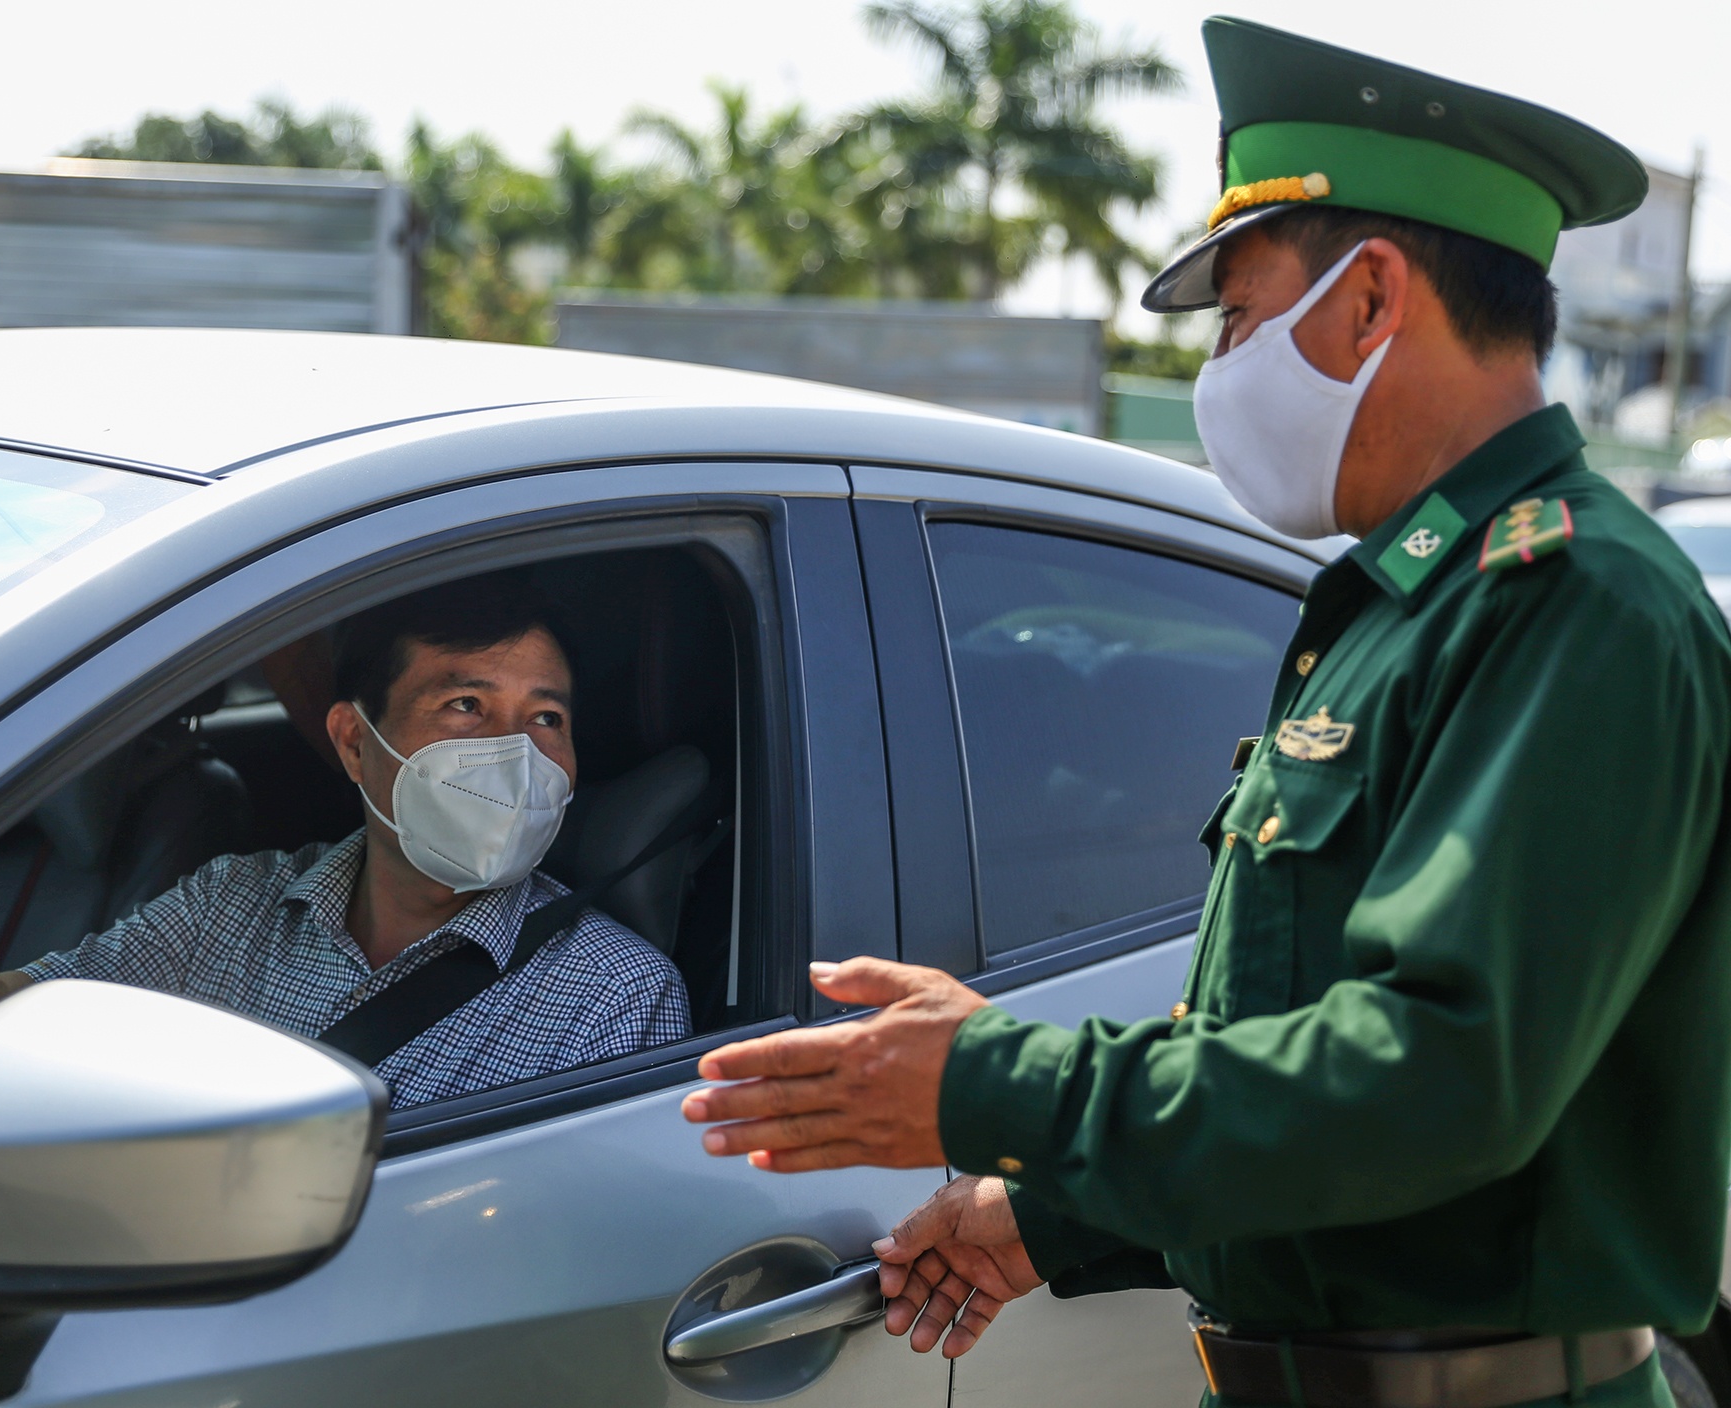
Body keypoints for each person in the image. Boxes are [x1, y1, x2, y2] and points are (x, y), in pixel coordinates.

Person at [681, 18, 1731, 1408]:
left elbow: (1436, 1081)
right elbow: (1292, 1064)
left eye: (1239, 316)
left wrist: (994, 1084)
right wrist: (1052, 1217)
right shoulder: (1407, 607)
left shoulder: (1573, 605)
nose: (1222, 367)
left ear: (1369, 300)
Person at [0, 574, 690, 1106]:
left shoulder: (614, 998)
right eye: (465, 707)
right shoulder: (233, 905)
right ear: (353, 742)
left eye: (546, 717)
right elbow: (7, 1013)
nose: (515, 752)